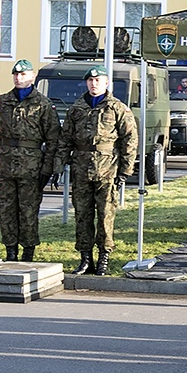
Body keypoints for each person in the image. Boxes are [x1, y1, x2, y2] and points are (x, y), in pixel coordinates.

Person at [57, 65, 137, 276]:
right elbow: (65, 139)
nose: (94, 84)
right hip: (81, 168)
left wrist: (125, 171)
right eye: (91, 80)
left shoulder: (117, 108)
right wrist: (59, 165)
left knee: (105, 216)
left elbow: (129, 139)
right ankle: (85, 258)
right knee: (82, 216)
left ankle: (103, 257)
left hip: (107, 169)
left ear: (106, 83)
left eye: (98, 80)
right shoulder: (77, 109)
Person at [0, 59, 61, 262]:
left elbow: (53, 139)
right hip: (6, 165)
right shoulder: (2, 101)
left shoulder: (42, 104)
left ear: (32, 76)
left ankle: (28, 250)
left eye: (23, 74)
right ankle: (10, 250)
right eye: (16, 74)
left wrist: (48, 169)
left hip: (32, 167)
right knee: (7, 210)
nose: (18, 78)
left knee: (28, 212)